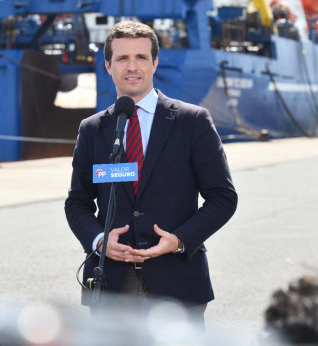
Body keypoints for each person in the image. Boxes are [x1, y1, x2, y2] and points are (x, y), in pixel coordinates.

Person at [64, 21, 238, 322]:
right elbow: (77, 202)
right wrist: (99, 241)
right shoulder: (92, 129)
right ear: (108, 65)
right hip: (112, 286)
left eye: (141, 58)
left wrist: (180, 239)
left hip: (178, 281)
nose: (132, 67)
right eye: (122, 58)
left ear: (155, 62)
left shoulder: (192, 121)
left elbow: (223, 197)